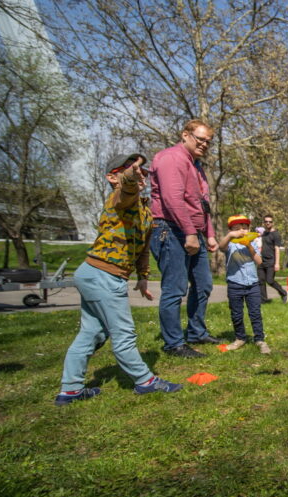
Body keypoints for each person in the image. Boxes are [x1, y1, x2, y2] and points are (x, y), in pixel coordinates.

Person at [56, 154, 182, 405]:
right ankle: (145, 381)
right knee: (123, 333)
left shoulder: (144, 211)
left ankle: (70, 390)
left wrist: (143, 278)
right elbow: (127, 187)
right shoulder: (119, 198)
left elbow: (143, 249)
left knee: (91, 333)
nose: (140, 175)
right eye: (131, 170)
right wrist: (130, 176)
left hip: (96, 273)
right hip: (103, 274)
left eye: (142, 172)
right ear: (112, 177)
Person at [149, 119, 220, 358]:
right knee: (175, 288)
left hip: (193, 232)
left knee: (203, 285)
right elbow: (172, 200)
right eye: (200, 139)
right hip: (171, 230)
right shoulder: (172, 158)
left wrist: (208, 234)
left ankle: (196, 332)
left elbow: (201, 204)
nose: (204, 144)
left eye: (208, 142)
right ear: (185, 135)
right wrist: (190, 232)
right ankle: (174, 344)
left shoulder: (195, 165)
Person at [219, 215, 270, 354]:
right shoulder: (230, 243)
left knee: (255, 313)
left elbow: (259, 261)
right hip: (235, 283)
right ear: (231, 230)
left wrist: (249, 246)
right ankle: (240, 338)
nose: (242, 231)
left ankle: (259, 339)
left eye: (245, 228)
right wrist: (230, 235)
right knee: (236, 313)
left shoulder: (252, 242)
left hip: (252, 284)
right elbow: (221, 246)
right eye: (237, 228)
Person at [257, 215, 287, 304]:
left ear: (272, 223)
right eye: (266, 221)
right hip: (262, 260)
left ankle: (283, 293)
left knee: (269, 280)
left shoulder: (276, 234)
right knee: (260, 280)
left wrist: (277, 263)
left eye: (270, 221)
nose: (268, 223)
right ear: (264, 222)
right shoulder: (264, 234)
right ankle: (263, 300)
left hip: (271, 261)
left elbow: (277, 249)